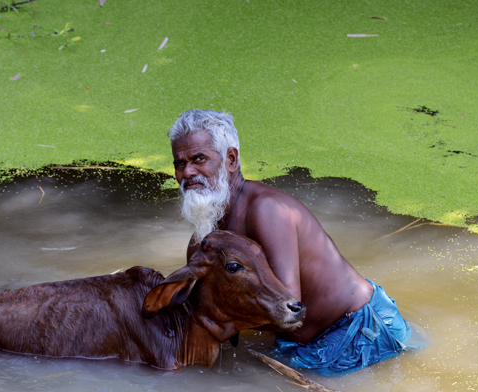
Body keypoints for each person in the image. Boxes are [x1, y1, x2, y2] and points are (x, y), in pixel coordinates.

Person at [169, 109, 414, 375]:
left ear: (231, 159)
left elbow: (288, 306)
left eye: (199, 159)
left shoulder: (266, 210)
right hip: (298, 340)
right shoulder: (202, 240)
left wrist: (215, 318)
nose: (188, 172)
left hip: (360, 329)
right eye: (179, 164)